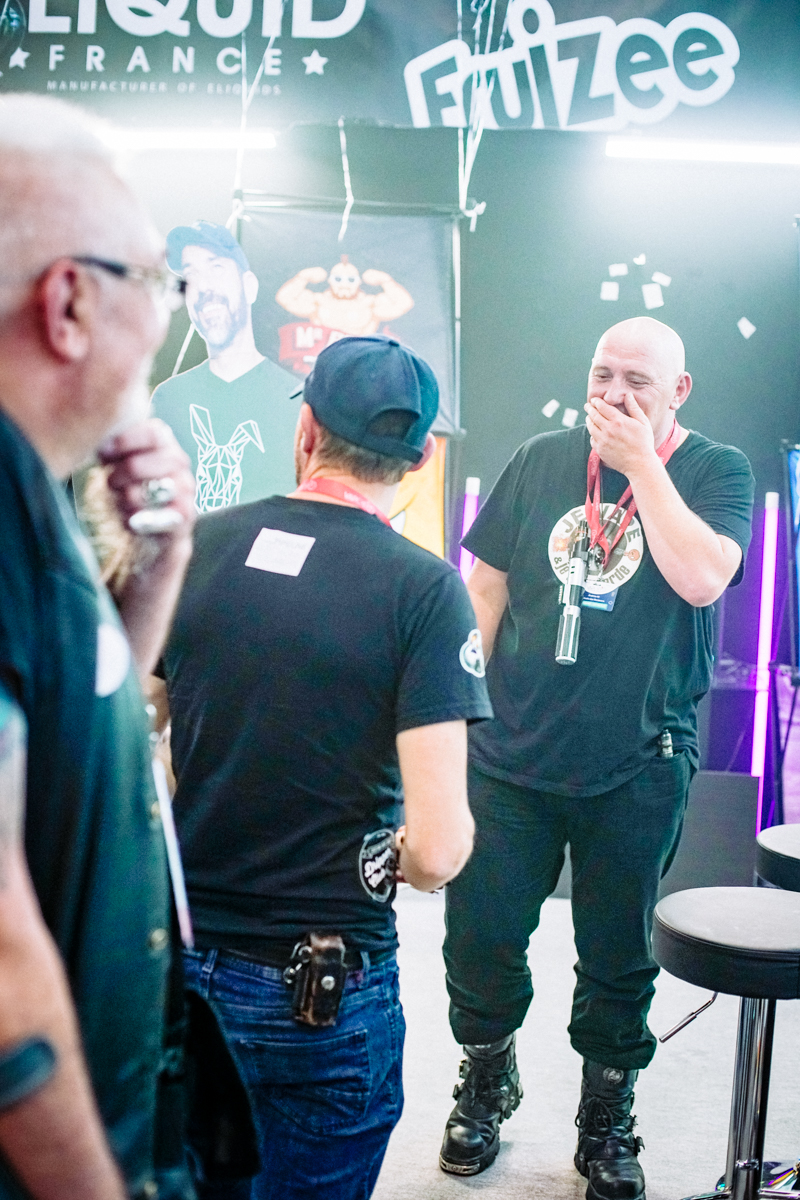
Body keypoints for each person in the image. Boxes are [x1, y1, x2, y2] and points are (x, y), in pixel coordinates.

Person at [153, 334, 491, 1199]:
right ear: (420, 460)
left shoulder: (195, 546)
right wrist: (394, 855)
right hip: (324, 989)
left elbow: (129, 736)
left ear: (305, 431)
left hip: (184, 969)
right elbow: (441, 850)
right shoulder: (425, 591)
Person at [439, 317, 754, 1200]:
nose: (613, 395)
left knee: (617, 954)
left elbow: (702, 577)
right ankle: (486, 1077)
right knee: (480, 937)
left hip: (640, 758)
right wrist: (453, 710)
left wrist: (643, 466)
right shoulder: (542, 459)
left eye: (637, 382)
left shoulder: (716, 471)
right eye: (602, 374)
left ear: (678, 392)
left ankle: (606, 1113)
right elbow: (486, 589)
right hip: (510, 751)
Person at [0, 95, 198, 1199]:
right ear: (69, 302)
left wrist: (153, 575)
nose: (165, 316)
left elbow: (71, 726)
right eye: (155, 281)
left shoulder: (37, 488)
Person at [151, 221, 298, 512]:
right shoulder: (169, 400)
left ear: (249, 287)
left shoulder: (296, 400)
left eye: (216, 268)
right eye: (191, 276)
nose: (203, 286)